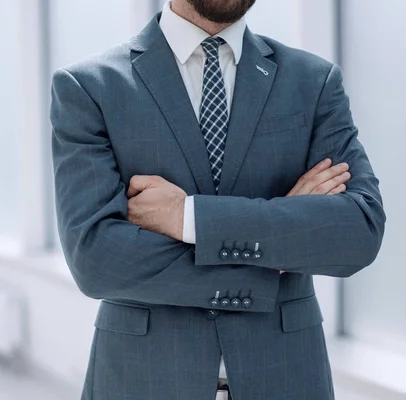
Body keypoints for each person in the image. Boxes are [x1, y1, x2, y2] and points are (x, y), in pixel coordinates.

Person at [50, 0, 385, 399]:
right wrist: (271, 258)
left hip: (287, 380)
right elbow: (96, 260)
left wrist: (187, 217)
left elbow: (357, 231)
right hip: (143, 381)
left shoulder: (313, 83)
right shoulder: (91, 87)